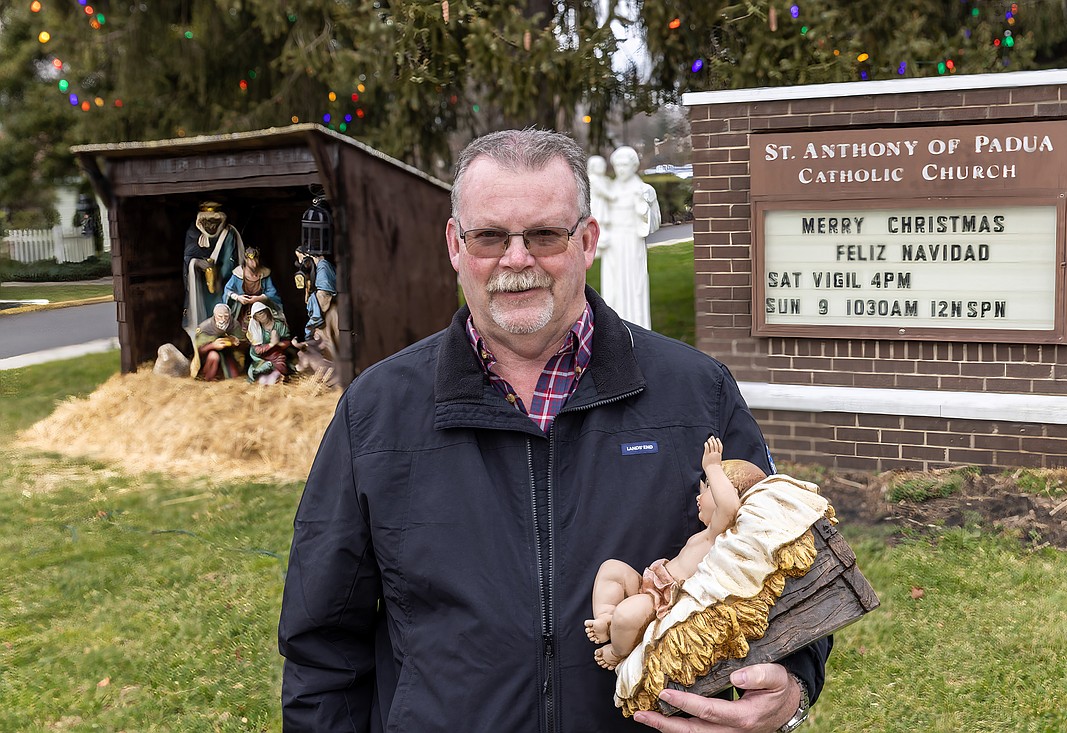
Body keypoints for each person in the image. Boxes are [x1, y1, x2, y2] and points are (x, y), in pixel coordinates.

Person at [278, 129, 829, 733]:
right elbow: (324, 645)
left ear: (588, 240)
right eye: (490, 236)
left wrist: (794, 686)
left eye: (545, 234)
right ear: (456, 245)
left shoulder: (696, 393)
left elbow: (785, 560)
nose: (517, 260)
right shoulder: (377, 412)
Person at [586, 436, 766, 671]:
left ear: (729, 492)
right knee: (612, 569)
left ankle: (617, 650)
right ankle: (606, 616)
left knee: (627, 615)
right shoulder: (705, 534)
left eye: (708, 488)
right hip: (651, 582)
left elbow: (730, 507)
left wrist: (712, 466)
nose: (698, 497)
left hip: (660, 601)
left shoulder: (717, 535)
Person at [600, 145, 661, 329]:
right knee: (613, 288)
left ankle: (637, 325)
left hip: (631, 242)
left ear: (633, 165)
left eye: (625, 165)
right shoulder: (610, 189)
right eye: (618, 165)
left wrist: (647, 204)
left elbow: (654, 221)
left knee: (634, 287)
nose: (621, 169)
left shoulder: (642, 189)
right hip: (613, 244)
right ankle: (613, 328)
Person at [183, 201, 245, 337]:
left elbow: (231, 260)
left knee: (222, 312)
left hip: (222, 283)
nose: (210, 225)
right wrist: (197, 264)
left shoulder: (228, 234)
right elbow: (188, 257)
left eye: (214, 221)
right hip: (200, 283)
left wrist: (218, 276)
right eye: (206, 221)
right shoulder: (193, 233)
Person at [223, 246, 284, 332]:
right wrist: (238, 297)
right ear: (246, 260)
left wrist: (260, 298)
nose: (254, 263)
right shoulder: (238, 274)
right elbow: (227, 290)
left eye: (256, 259)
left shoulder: (264, 274)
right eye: (251, 260)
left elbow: (272, 292)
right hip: (242, 309)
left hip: (261, 307)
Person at [294, 245, 339, 361]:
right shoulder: (319, 267)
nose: (300, 263)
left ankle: (335, 369)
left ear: (309, 258)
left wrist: (312, 321)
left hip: (328, 313)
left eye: (301, 259)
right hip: (326, 312)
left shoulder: (323, 268)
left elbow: (323, 297)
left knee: (326, 340)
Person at [193, 303, 247, 381]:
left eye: (226, 316)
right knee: (213, 356)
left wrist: (235, 342)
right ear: (215, 315)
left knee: (234, 374)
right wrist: (212, 345)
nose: (223, 319)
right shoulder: (205, 327)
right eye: (220, 316)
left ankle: (221, 374)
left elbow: (244, 343)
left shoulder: (234, 325)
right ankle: (207, 376)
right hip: (208, 356)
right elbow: (198, 350)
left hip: (228, 354)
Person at [246, 301, 292, 384]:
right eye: (258, 315)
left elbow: (287, 342)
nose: (261, 316)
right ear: (255, 318)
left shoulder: (279, 325)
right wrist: (271, 344)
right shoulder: (256, 330)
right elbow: (257, 350)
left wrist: (277, 343)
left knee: (278, 371)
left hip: (277, 356)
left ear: (267, 311)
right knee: (259, 376)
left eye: (262, 312)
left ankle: (279, 376)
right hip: (261, 358)